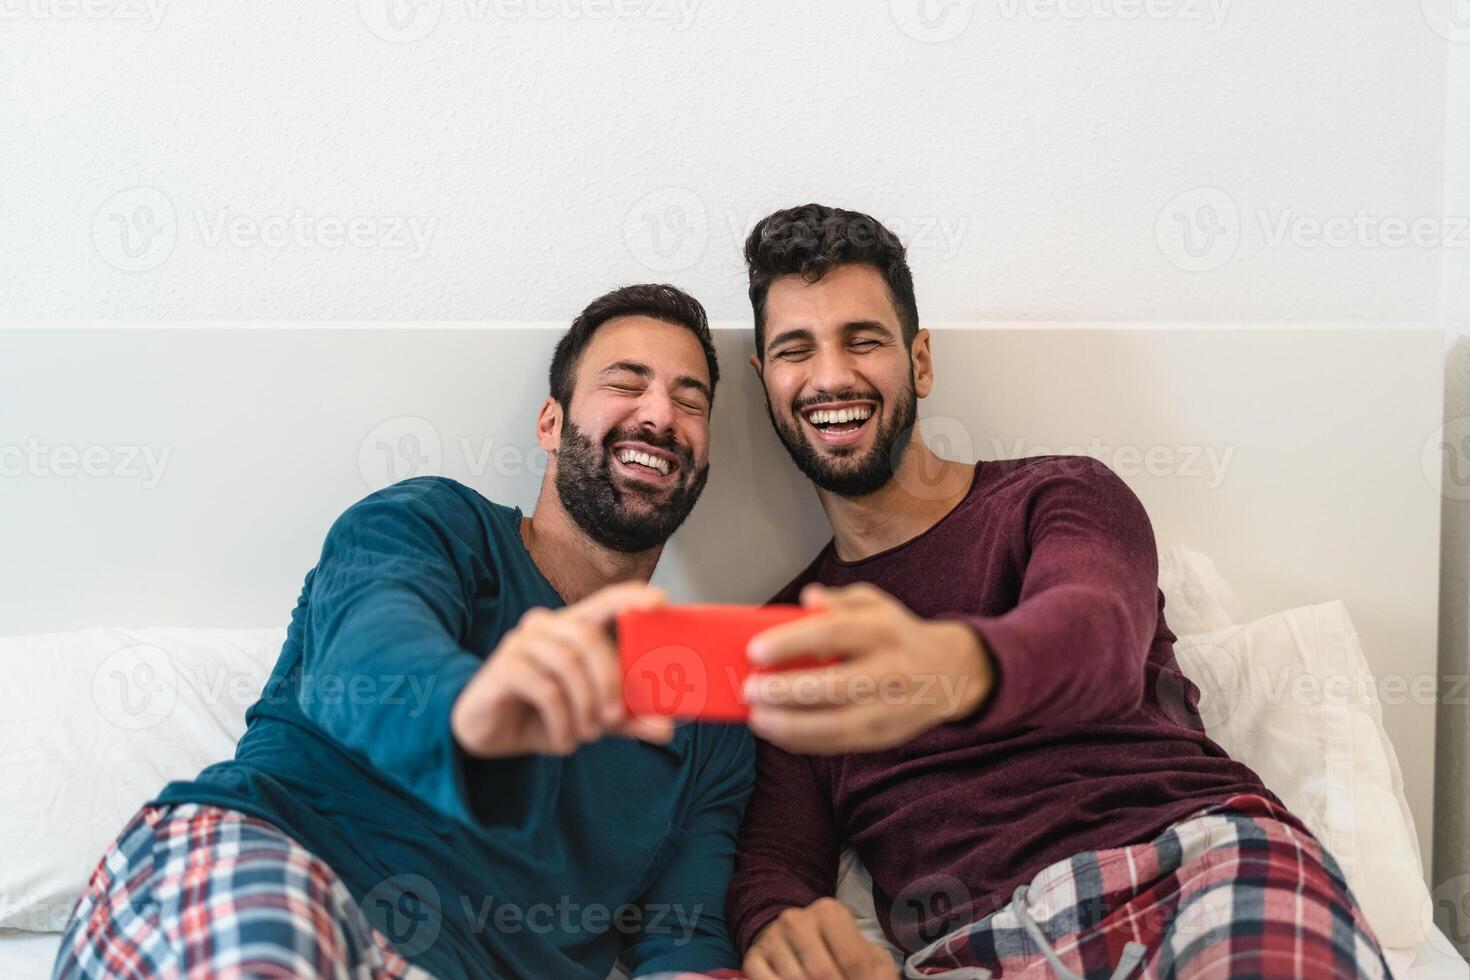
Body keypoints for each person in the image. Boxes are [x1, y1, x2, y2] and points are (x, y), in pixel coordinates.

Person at [726, 205, 1392, 979]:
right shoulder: (788, 630)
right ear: (764, 381)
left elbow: (1096, 638)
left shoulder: (1058, 494)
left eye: (863, 340)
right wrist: (777, 925)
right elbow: (778, 852)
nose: (832, 376)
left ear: (921, 361)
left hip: (1196, 872)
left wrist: (950, 664)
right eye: (795, 350)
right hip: (978, 948)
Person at [53, 284, 754, 980]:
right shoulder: (434, 525)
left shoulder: (708, 703)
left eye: (689, 401)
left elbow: (681, 935)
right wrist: (475, 713)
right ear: (550, 423)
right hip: (275, 872)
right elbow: (371, 651)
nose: (660, 415)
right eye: (625, 384)